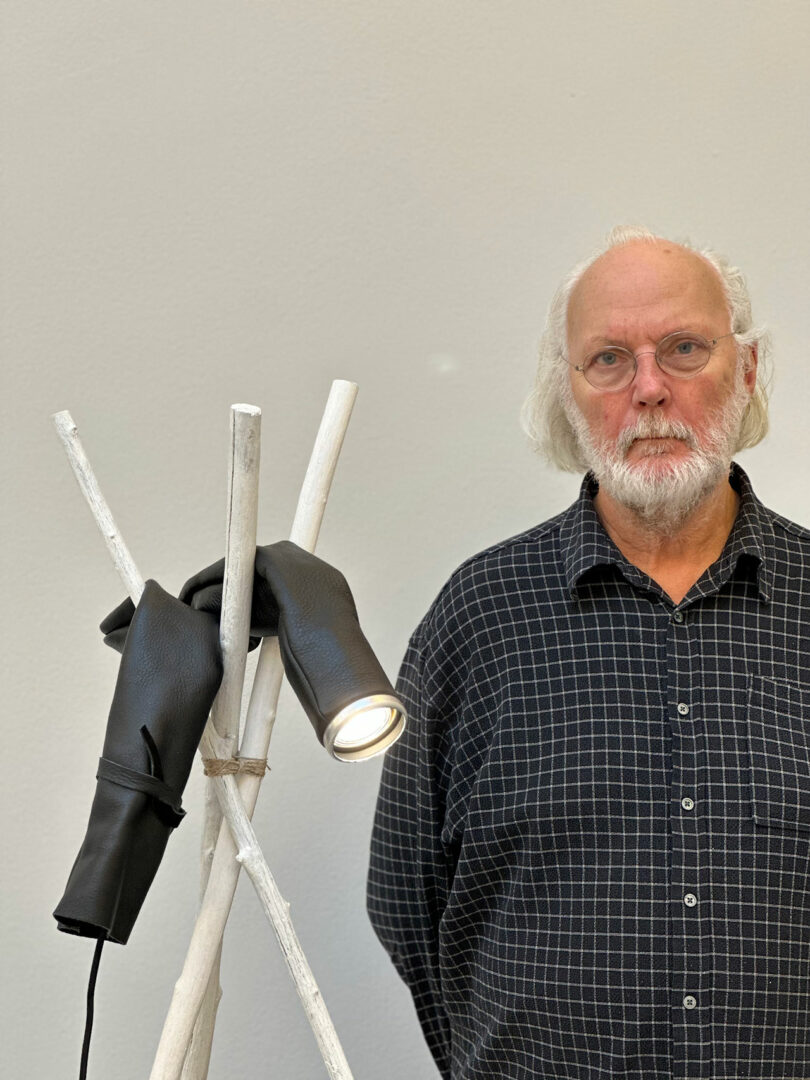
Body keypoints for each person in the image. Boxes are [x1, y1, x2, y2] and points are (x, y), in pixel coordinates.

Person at [366, 226, 810, 1080]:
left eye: (684, 349)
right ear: (569, 395)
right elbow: (405, 895)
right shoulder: (480, 617)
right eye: (609, 359)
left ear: (746, 370)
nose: (649, 390)